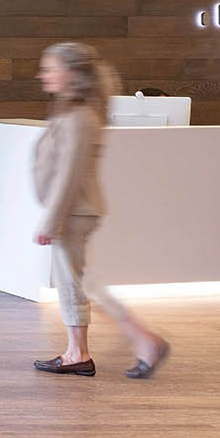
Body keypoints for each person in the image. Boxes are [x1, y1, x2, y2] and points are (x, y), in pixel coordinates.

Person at [31, 42, 167, 378]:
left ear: (72, 73)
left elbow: (69, 174)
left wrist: (50, 221)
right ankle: (90, 349)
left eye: (49, 68)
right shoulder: (73, 112)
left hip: (74, 212)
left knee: (77, 284)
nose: (42, 75)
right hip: (74, 211)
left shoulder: (80, 117)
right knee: (79, 282)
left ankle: (126, 344)